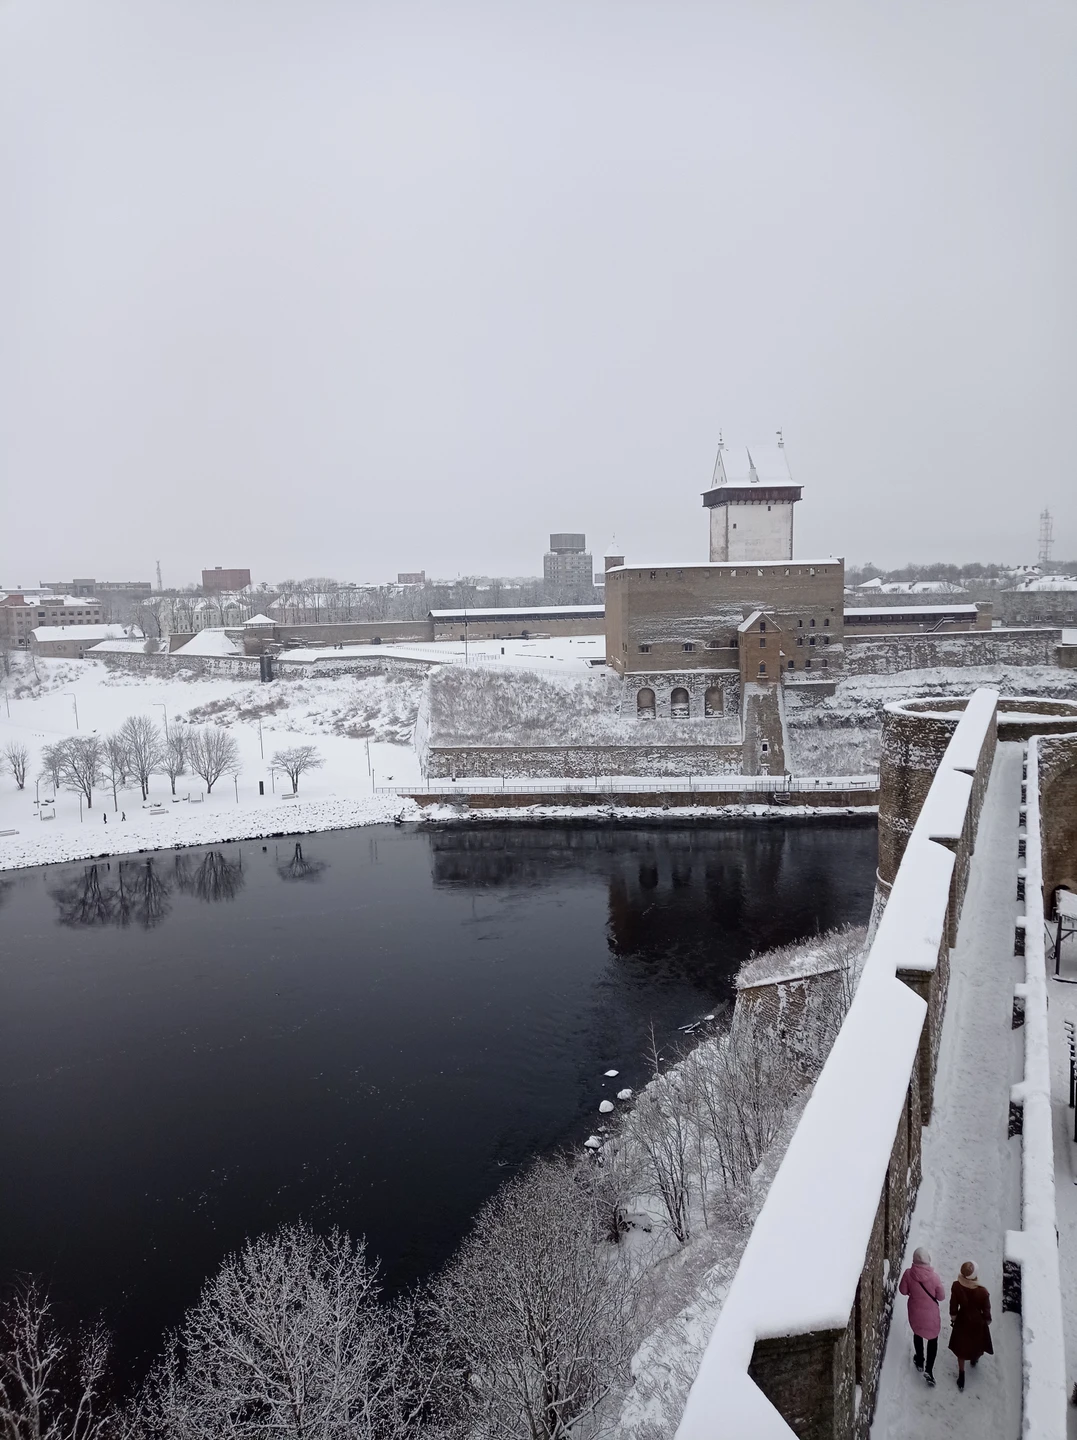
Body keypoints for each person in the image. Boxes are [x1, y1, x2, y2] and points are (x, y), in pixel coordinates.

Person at [898, 1247, 944, 1385]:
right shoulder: (934, 1277)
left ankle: (919, 1360)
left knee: (917, 1334)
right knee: (933, 1340)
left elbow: (903, 1290)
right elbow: (941, 1297)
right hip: (931, 1314)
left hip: (915, 1312)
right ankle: (929, 1370)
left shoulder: (908, 1274)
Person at [949, 1261, 993, 1390]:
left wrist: (954, 1317)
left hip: (962, 1320)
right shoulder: (982, 1292)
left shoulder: (957, 1286)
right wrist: (987, 1321)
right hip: (977, 1322)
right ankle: (974, 1359)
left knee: (961, 1348)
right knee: (976, 1344)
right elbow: (986, 1311)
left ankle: (961, 1375)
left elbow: (953, 1305)